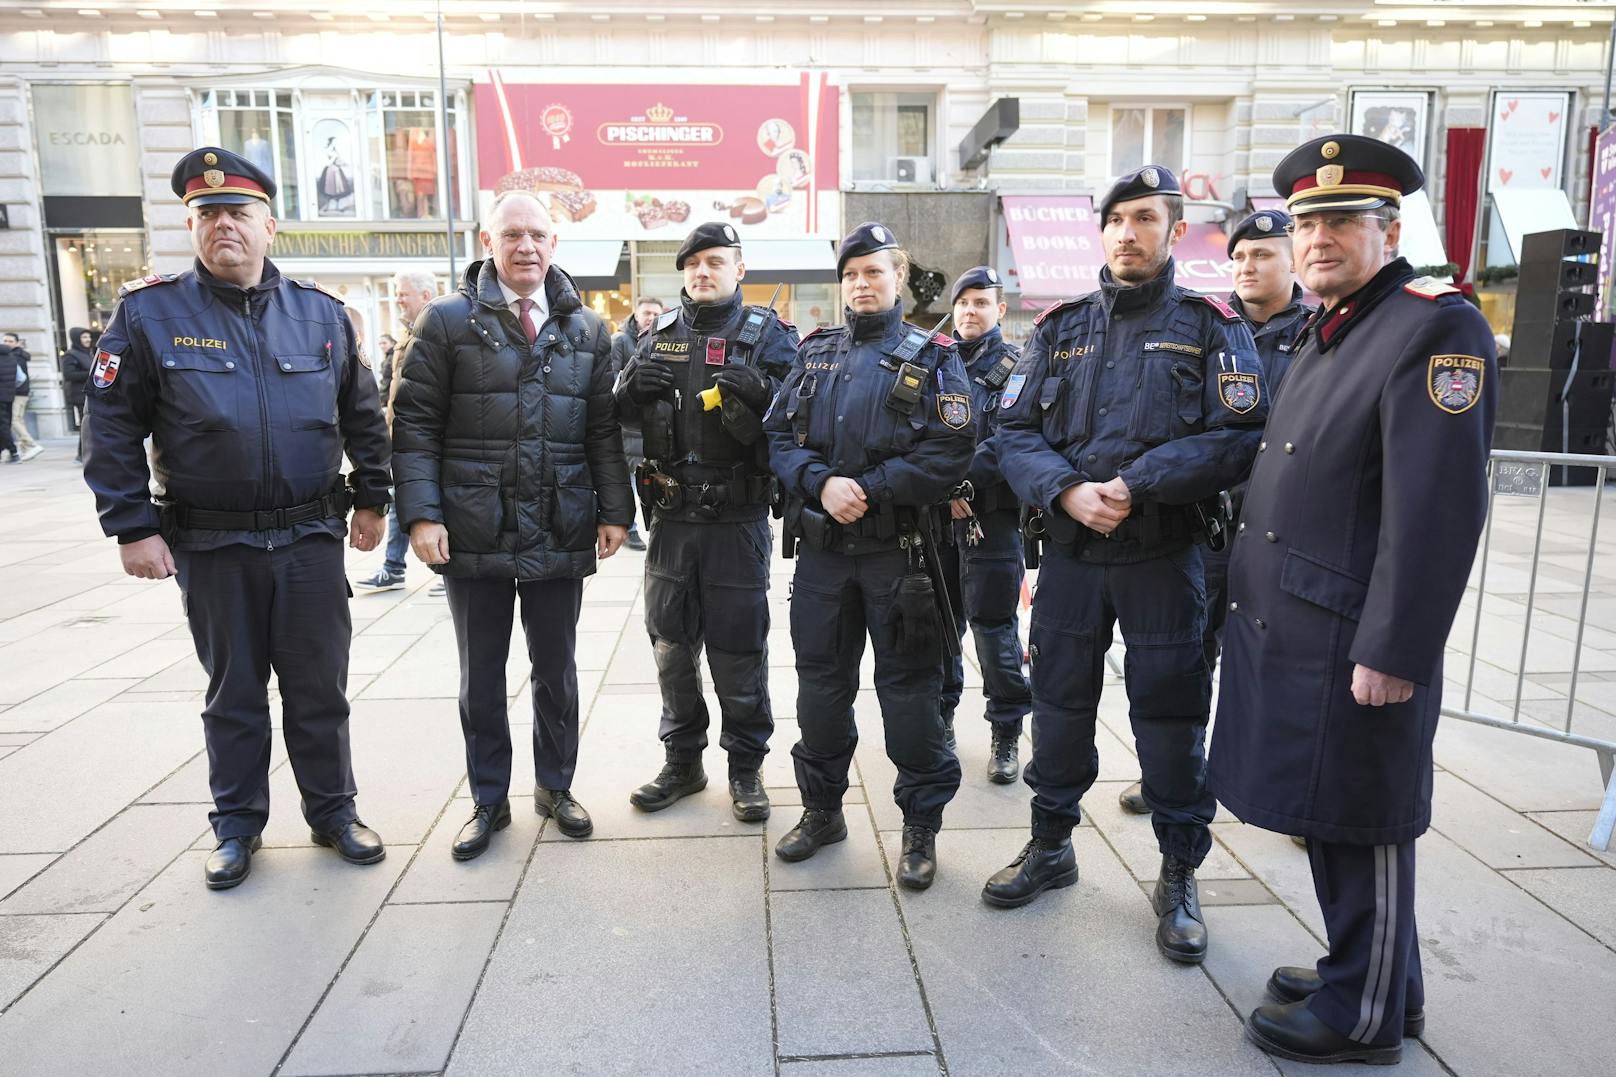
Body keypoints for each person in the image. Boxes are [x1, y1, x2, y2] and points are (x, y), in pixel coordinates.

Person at [1209, 135, 1497, 1066]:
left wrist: (1397, 648)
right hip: (1297, 618)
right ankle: (1374, 974)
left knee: (1364, 812)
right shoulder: (1336, 323)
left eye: (1341, 220)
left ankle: (1364, 1014)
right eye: (1307, 223)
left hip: (1354, 634)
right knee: (1327, 805)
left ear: (1390, 228)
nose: (1319, 238)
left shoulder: (1431, 326)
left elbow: (1437, 509)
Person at [82, 147, 393, 890]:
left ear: (270, 226)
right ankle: (236, 826)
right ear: (191, 225)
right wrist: (132, 525)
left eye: (238, 212)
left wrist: (375, 495)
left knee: (321, 688)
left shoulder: (321, 314)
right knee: (234, 695)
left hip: (310, 538)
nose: (224, 225)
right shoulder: (149, 313)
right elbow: (111, 425)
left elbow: (364, 415)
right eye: (208, 213)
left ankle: (333, 811)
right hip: (213, 542)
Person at [981, 166, 1266, 967]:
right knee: (1060, 704)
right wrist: (1067, 489)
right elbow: (1011, 431)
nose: (1127, 232)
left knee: (1171, 717)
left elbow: (1239, 434)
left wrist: (1136, 485)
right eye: (1115, 220)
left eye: (1145, 218)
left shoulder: (1212, 324)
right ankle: (1051, 845)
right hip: (1072, 554)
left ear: (1175, 230)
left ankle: (1178, 872)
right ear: (1098, 232)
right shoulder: (1062, 325)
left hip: (1163, 554)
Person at [392, 190, 632, 860]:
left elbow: (602, 430)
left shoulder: (586, 327)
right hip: (474, 525)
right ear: (486, 240)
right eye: (512, 234)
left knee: (557, 667)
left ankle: (556, 787)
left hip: (559, 519)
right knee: (483, 674)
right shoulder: (445, 322)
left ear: (555, 244)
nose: (526, 246)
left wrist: (615, 508)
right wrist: (421, 515)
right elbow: (412, 426)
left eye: (538, 235)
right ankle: (488, 799)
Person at [765, 222, 974, 890]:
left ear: (899, 279)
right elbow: (777, 437)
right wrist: (819, 482)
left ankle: (920, 827)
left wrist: (874, 488)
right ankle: (822, 811)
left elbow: (954, 448)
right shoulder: (815, 351)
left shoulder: (936, 355)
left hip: (901, 557)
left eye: (874, 272)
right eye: (851, 273)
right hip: (825, 558)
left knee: (910, 697)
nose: (861, 283)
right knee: (820, 691)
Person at [1117, 207, 1314, 816]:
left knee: (1287, 662)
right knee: (1186, 655)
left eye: (1263, 255)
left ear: (1293, 261)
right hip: (1210, 525)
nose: (1247, 267)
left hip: (1288, 527)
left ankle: (1289, 787)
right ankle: (1180, 772)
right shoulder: (1207, 324)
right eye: (1239, 257)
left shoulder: (1320, 332)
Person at [615, 222, 798, 822]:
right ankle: (683, 763)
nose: (702, 272)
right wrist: (625, 390)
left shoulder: (770, 335)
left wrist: (766, 392)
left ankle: (745, 768)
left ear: (738, 269)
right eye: (693, 264)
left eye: (715, 262)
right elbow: (615, 413)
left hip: (737, 521)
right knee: (670, 644)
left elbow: (804, 419)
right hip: (671, 519)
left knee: (738, 649)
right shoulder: (660, 332)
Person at [937, 266, 1031, 784]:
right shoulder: (935, 361)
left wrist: (963, 484)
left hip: (990, 521)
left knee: (995, 631)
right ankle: (943, 720)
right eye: (964, 302)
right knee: (939, 628)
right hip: (937, 522)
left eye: (981, 302)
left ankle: (1006, 732)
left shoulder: (1016, 365)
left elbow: (1011, 438)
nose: (971, 311)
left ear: (999, 309)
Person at [354, 269, 439, 593]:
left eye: (403, 294)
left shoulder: (434, 332)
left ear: (425, 296)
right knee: (402, 498)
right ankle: (394, 567)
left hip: (424, 441)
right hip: (401, 438)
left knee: (421, 501)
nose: (399, 299)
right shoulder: (407, 333)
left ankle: (442, 570)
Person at [611, 296, 664, 552]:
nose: (650, 318)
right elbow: (611, 380)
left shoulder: (663, 339)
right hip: (628, 427)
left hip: (652, 426)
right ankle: (631, 530)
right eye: (646, 313)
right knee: (630, 482)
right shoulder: (621, 341)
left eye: (655, 313)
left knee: (647, 481)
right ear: (636, 314)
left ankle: (649, 527)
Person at [4, 332, 42, 461]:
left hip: (17, 392)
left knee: (14, 420)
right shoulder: (19, 355)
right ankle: (25, 448)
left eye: (10, 341)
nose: (7, 343)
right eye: (5, 341)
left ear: (17, 343)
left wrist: (12, 389)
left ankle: (32, 444)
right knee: (18, 419)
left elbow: (19, 377)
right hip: (21, 392)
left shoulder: (15, 356)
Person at [63, 327, 95, 462]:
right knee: (86, 424)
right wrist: (91, 373)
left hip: (89, 393)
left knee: (88, 424)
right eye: (84, 337)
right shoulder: (71, 355)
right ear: (76, 339)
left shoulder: (89, 353)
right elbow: (68, 375)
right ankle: (82, 454)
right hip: (79, 394)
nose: (88, 340)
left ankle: (83, 454)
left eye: (88, 337)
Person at [0, 335, 18, 462]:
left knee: (3, 426)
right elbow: (20, 378)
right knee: (5, 424)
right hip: (9, 396)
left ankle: (14, 452)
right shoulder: (12, 358)